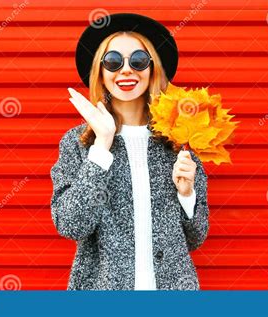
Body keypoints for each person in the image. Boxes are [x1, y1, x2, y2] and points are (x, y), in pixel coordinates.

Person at [50, 13, 210, 290]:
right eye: (113, 61)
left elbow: (196, 237)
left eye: (138, 60)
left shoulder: (178, 138)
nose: (126, 70)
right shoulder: (77, 143)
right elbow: (71, 225)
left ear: (152, 69)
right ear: (100, 71)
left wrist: (187, 195)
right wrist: (102, 146)